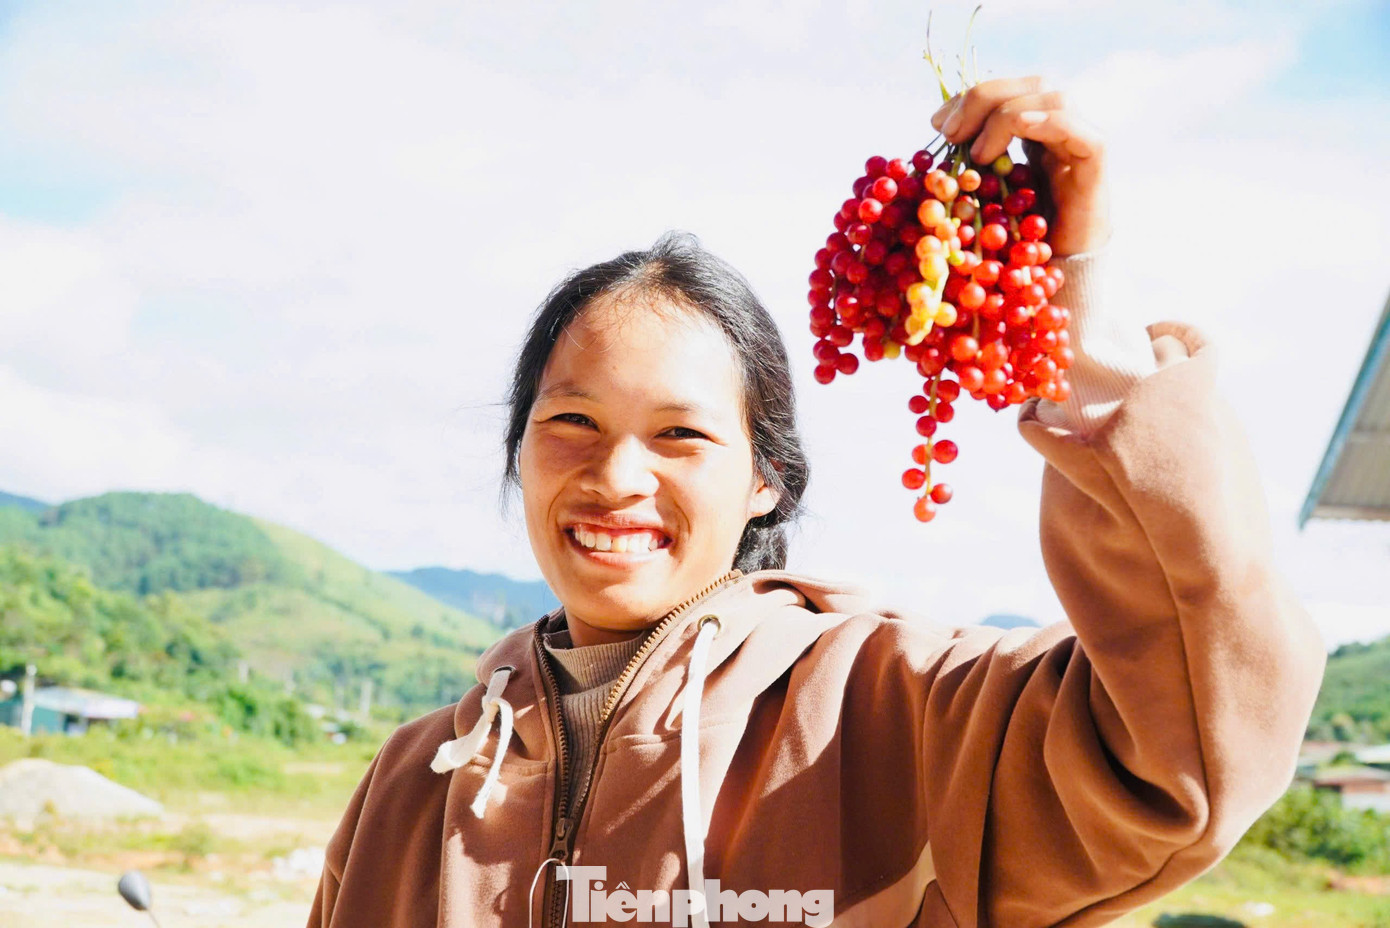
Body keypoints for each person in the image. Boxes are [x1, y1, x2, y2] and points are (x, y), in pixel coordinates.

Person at [309, 77, 1325, 928]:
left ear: (766, 480)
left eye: (680, 434)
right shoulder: (413, 783)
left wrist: (1079, 313)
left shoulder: (895, 718)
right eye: (571, 421)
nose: (615, 478)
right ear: (519, 451)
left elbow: (1188, 744)